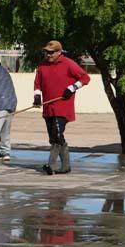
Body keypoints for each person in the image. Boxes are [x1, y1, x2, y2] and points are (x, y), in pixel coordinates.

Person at [33, 40, 90, 175]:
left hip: (63, 106)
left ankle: (51, 165)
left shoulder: (68, 63)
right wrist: (37, 96)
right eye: (46, 52)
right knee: (54, 138)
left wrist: (72, 88)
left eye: (51, 52)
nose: (48, 55)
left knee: (57, 134)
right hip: (48, 107)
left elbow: (85, 78)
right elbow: (37, 84)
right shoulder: (42, 65)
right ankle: (66, 166)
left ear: (59, 52)